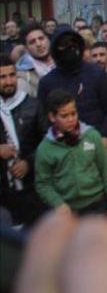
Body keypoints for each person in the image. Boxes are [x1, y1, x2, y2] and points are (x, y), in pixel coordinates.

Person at [35, 89, 107, 219]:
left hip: (97, 204)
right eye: (64, 116)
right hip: (68, 210)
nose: (71, 119)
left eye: (73, 113)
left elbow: (106, 169)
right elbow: (43, 183)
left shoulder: (92, 136)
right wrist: (58, 203)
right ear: (52, 117)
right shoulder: (45, 149)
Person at [37, 26, 107, 155]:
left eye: (72, 44)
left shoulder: (96, 74)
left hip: (97, 144)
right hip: (63, 150)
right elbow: (43, 120)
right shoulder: (47, 82)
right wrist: (57, 143)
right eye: (63, 46)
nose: (69, 49)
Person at [0, 55, 47, 226]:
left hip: (32, 188)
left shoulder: (33, 105)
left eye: (12, 75)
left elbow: (48, 141)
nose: (8, 81)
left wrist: (28, 163)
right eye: (2, 77)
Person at [15, 25, 55, 98]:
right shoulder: (22, 77)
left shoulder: (64, 61)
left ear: (48, 40)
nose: (38, 44)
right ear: (26, 48)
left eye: (41, 38)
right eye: (32, 42)